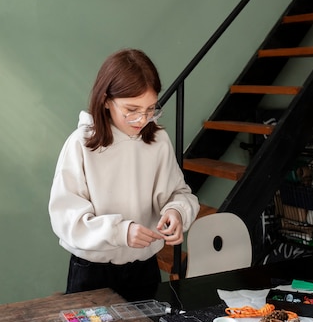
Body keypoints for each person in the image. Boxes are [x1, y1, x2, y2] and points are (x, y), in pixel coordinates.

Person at [48, 48, 199, 301]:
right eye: (132, 109)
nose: (142, 119)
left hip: (145, 269)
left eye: (150, 109)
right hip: (92, 273)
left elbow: (180, 193)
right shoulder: (81, 144)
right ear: (106, 100)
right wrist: (121, 232)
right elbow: (66, 219)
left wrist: (177, 212)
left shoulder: (158, 141)